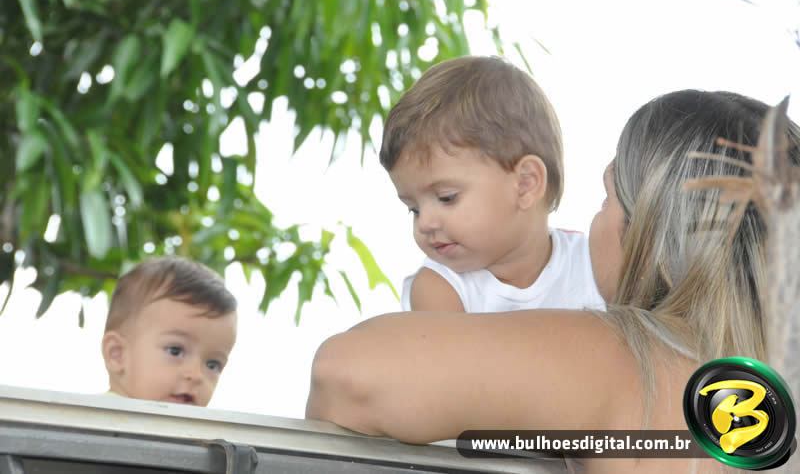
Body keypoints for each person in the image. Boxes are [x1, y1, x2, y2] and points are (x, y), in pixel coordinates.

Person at [306, 90, 800, 473]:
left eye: (607, 199)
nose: (595, 221)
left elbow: (347, 375)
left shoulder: (627, 361)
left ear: (648, 231)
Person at [380, 55, 604, 313]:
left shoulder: (595, 264)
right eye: (414, 209)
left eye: (447, 197)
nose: (425, 223)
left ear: (525, 184)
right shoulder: (439, 287)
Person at [101, 256, 238, 407]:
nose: (196, 375)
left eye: (212, 365)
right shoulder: (92, 418)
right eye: (175, 351)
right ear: (117, 354)